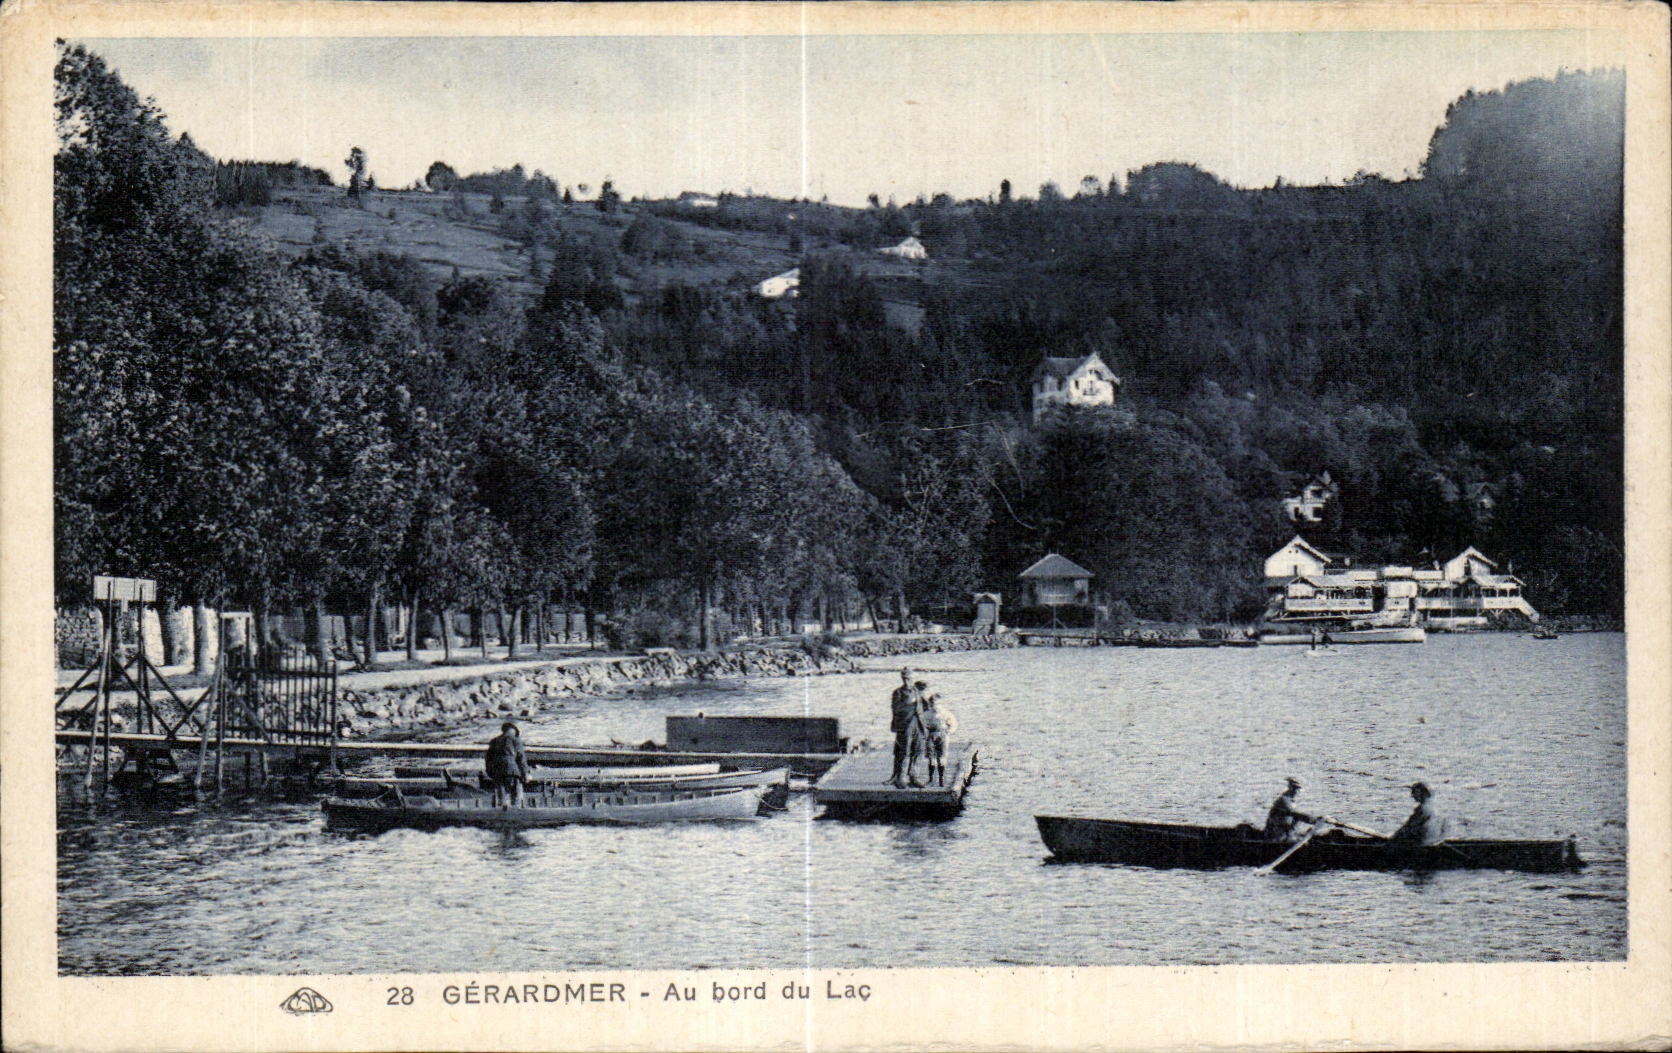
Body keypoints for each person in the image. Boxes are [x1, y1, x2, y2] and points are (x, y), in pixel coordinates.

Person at [887, 668, 921, 788]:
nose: (907, 681)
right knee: (904, 751)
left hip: (917, 723)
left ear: (913, 679)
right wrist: (909, 704)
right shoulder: (898, 692)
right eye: (905, 679)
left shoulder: (917, 691)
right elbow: (896, 708)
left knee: (917, 750)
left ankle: (914, 776)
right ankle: (900, 777)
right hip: (904, 724)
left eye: (910, 679)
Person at [485, 721, 529, 808]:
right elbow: (521, 758)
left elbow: (488, 758)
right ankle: (516, 809)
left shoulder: (494, 741)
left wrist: (490, 772)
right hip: (512, 770)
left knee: (501, 794)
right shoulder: (515, 740)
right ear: (513, 731)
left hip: (497, 771)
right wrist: (525, 774)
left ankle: (503, 809)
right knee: (516, 794)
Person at [1263, 777, 1316, 841]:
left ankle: (1292, 837)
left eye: (1298, 789)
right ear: (1290, 788)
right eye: (1295, 788)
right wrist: (1313, 820)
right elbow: (1295, 814)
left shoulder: (1290, 801)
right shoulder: (1283, 801)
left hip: (1285, 831)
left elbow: (1296, 816)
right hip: (1276, 835)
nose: (1297, 791)